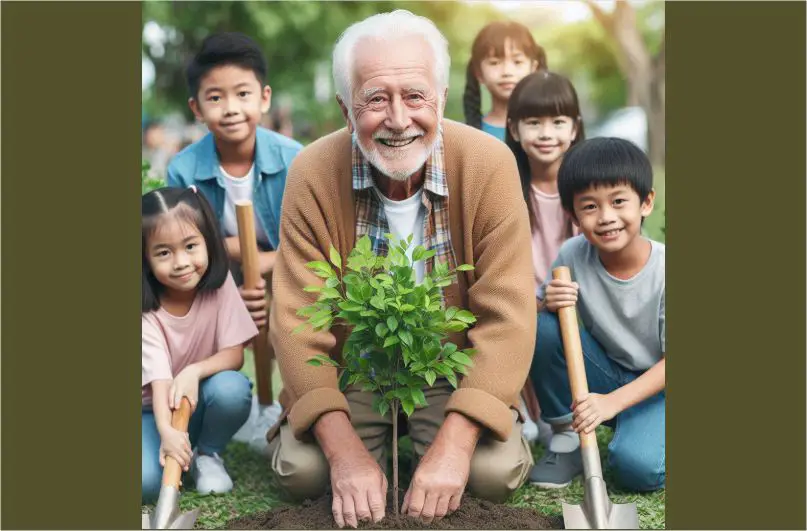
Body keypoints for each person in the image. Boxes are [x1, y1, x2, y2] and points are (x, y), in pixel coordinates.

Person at [267, 10, 536, 528]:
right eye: (374, 99)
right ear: (346, 109)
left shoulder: (489, 164)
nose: (397, 119)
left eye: (414, 95)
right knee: (304, 473)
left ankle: (439, 440)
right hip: (356, 369)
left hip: (449, 366)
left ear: (440, 96)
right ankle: (369, 447)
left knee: (490, 474)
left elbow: (510, 317)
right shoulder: (312, 172)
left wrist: (455, 446)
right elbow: (299, 322)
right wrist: (345, 456)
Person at [528, 137, 666, 492]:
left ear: (646, 202)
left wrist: (612, 403)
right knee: (542, 326)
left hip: (660, 386)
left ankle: (644, 428)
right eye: (589, 207)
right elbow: (545, 323)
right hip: (608, 371)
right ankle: (566, 440)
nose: (606, 218)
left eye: (619, 201)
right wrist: (550, 302)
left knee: (637, 470)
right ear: (573, 216)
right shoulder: (573, 255)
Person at [166, 32, 303, 329]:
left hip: (288, 263)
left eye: (243, 94)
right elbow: (184, 244)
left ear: (264, 98)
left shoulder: (296, 159)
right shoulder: (183, 169)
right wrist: (241, 254)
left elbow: (313, 243)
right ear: (197, 109)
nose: (230, 108)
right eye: (215, 97)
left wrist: (266, 264)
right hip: (218, 270)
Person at [141, 186, 258, 502]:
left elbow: (234, 355)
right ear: (145, 259)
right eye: (163, 252)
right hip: (151, 411)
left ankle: (208, 453)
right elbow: (161, 384)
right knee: (147, 483)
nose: (181, 263)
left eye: (190, 246)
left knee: (232, 389)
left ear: (208, 241)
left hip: (199, 400)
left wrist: (194, 371)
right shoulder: (145, 313)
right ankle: (172, 445)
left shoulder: (218, 288)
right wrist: (167, 432)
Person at [505, 70, 585, 450]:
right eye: (533, 123)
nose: (546, 133)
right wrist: (536, 299)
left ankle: (559, 415)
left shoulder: (588, 188)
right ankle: (518, 404)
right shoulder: (504, 187)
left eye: (558, 121)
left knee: (549, 326)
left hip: (575, 309)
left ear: (574, 128)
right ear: (515, 129)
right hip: (521, 308)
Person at [463, 21, 547, 142]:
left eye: (517, 62)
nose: (507, 72)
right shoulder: (464, 134)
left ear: (533, 68)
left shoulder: (551, 131)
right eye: (494, 62)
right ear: (478, 73)